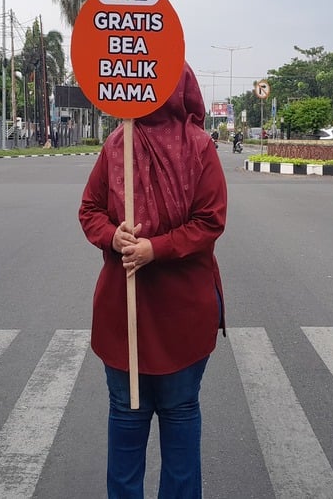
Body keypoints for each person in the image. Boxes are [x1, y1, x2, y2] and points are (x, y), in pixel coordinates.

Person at [78, 63, 227, 499]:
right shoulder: (116, 144)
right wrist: (114, 235)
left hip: (182, 318)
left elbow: (209, 221)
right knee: (125, 423)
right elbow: (89, 210)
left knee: (181, 422)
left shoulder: (200, 148)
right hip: (124, 318)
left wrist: (154, 248)